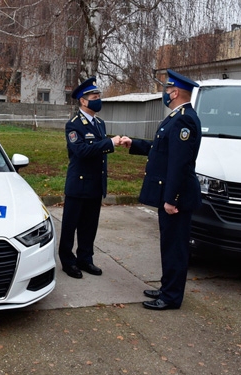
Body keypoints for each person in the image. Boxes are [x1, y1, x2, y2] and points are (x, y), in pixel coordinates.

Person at [121, 69, 202, 310]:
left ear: (175, 92)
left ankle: (171, 297)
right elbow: (161, 149)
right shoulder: (176, 117)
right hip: (171, 195)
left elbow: (178, 164)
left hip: (176, 199)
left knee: (175, 247)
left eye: (166, 90)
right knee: (168, 244)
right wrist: (133, 143)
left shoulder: (184, 119)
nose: (164, 94)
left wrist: (171, 199)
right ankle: (168, 287)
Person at [59, 77, 122, 279]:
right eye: (94, 97)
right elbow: (81, 151)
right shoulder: (74, 125)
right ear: (83, 101)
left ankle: (85, 259)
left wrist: (108, 144)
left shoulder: (100, 123)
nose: (98, 100)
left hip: (95, 184)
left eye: (98, 97)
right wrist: (109, 144)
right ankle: (68, 261)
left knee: (89, 226)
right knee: (70, 226)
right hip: (78, 185)